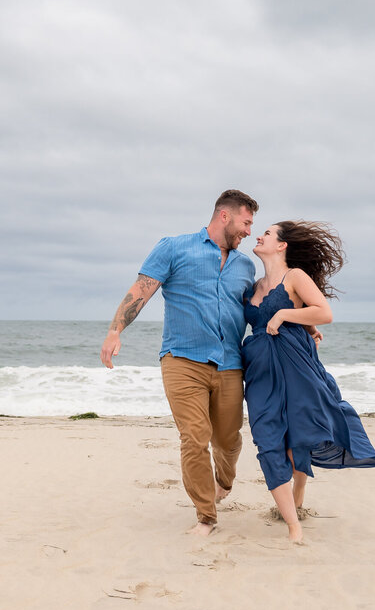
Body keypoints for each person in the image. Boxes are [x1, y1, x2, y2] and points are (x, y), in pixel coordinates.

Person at [101, 189, 259, 536]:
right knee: (194, 437)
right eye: (246, 223)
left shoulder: (246, 266)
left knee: (229, 440)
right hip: (182, 359)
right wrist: (115, 331)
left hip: (231, 363)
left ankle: (224, 482)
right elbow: (141, 289)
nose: (249, 231)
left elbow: (258, 310)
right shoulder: (174, 248)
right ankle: (206, 516)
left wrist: (303, 326)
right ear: (225, 216)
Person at [241, 221, 375, 542]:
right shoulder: (252, 287)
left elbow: (323, 312)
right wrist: (304, 325)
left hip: (296, 367)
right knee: (267, 441)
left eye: (266, 233)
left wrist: (286, 317)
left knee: (300, 434)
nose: (259, 236)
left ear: (281, 245)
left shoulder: (294, 276)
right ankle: (294, 524)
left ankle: (299, 485)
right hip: (259, 371)